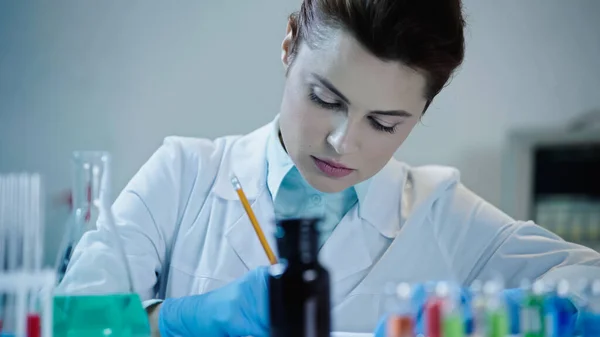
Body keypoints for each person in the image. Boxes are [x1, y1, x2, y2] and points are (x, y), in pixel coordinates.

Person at [59, 0, 600, 336]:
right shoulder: (184, 175)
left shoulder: (441, 213)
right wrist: (184, 321)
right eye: (325, 98)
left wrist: (507, 312)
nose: (343, 141)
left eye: (384, 124)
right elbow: (70, 322)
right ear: (290, 44)